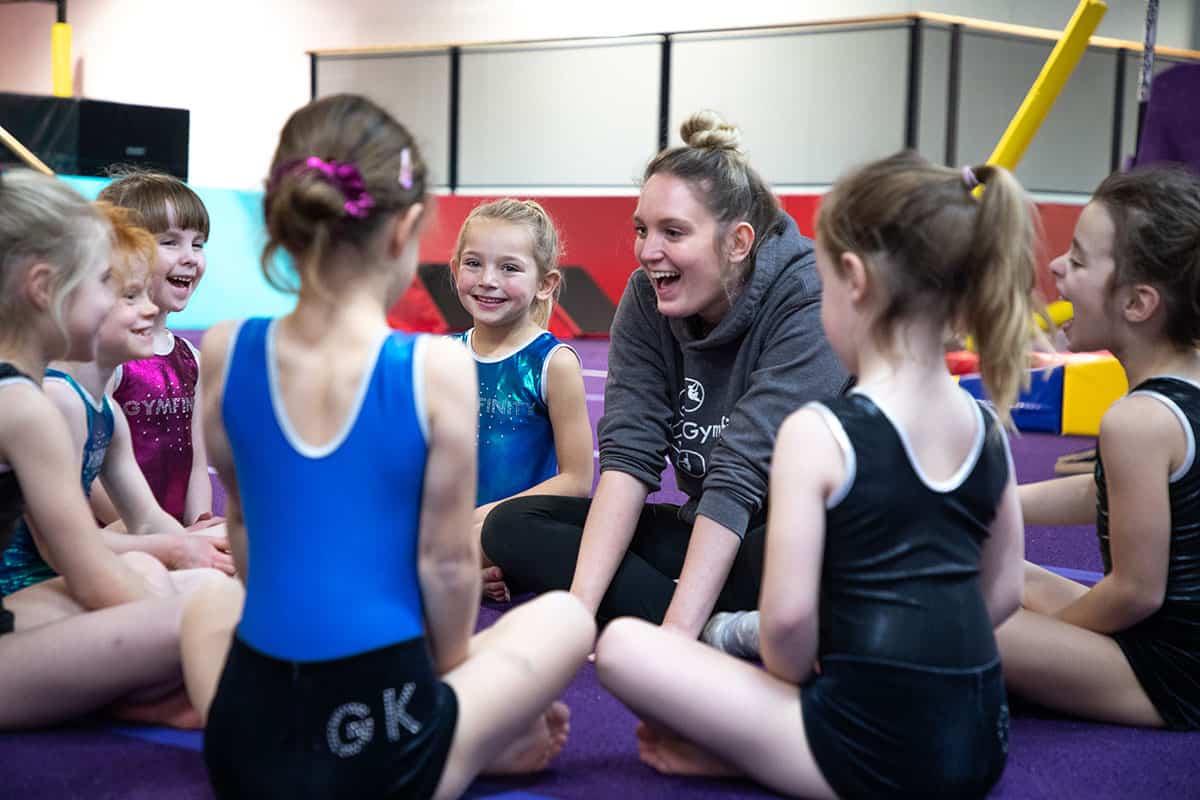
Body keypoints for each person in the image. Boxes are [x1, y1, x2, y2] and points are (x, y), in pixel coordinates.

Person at [178, 94, 594, 800]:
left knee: (206, 606)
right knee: (565, 617)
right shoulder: (436, 368)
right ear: (406, 231)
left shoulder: (223, 349)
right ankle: (463, 743)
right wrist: (456, 683)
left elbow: (247, 529)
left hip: (247, 745)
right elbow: (446, 564)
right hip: (390, 743)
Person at [595, 151, 1031, 798]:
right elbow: (1002, 595)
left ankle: (757, 755)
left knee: (629, 649)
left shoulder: (820, 434)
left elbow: (789, 629)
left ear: (852, 280)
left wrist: (723, 636)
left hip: (866, 754)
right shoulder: (987, 428)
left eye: (822, 286)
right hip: (981, 744)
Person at [482, 111, 850, 636]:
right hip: (708, 528)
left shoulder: (808, 295)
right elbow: (629, 454)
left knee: (805, 549)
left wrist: (674, 642)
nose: (649, 252)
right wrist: (579, 613)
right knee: (513, 527)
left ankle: (704, 620)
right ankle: (730, 629)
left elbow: (742, 472)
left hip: (794, 535)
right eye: (641, 230)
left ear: (738, 242)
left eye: (672, 232)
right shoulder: (644, 295)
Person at [0, 168, 215, 729]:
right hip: (19, 614)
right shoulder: (27, 404)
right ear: (46, 288)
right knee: (205, 611)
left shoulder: (25, 395)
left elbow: (132, 540)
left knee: (165, 573)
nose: (134, 304)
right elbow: (89, 570)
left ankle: (141, 692)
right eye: (109, 284)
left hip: (17, 611)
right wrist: (185, 632)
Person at [999, 166, 1200, 730]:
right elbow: (1114, 492)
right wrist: (1002, 500)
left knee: (953, 621)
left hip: (1168, 670)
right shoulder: (1185, 389)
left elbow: (1136, 593)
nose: (1058, 265)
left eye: (1080, 261)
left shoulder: (1136, 422)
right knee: (1011, 573)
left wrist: (1054, 637)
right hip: (1172, 643)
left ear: (1138, 303)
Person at [0, 202, 232, 595]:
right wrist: (177, 560)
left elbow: (148, 519)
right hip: (30, 587)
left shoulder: (106, 413)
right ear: (50, 293)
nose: (148, 308)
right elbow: (69, 551)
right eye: (128, 295)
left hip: (71, 571)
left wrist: (194, 544)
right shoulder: (55, 399)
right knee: (196, 594)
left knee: (202, 561)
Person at [450, 198, 592, 602]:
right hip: (448, 526)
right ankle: (456, 579)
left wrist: (487, 513)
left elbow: (577, 480)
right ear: (455, 268)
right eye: (474, 263)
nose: (487, 280)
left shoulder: (553, 364)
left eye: (509, 268)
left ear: (545, 283)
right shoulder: (442, 357)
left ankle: (447, 578)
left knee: (483, 537)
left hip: (511, 525)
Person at [97, 170, 216, 525]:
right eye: (170, 242)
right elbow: (86, 476)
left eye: (198, 244)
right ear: (121, 252)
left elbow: (196, 466)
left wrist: (199, 526)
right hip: (115, 539)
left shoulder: (192, 360)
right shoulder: (109, 359)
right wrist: (156, 537)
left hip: (174, 539)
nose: (190, 257)